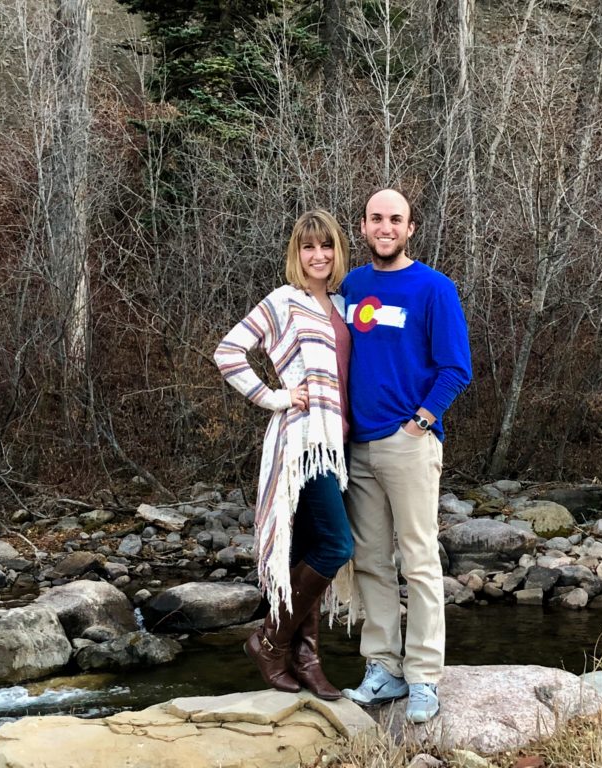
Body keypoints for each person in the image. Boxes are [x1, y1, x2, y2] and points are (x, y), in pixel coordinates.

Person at [340, 189, 472, 723]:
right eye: (376, 218)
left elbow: (455, 367)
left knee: (418, 562)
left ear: (410, 228)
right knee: (370, 561)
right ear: (364, 225)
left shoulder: (434, 288)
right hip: (357, 447)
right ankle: (382, 668)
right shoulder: (353, 286)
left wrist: (421, 421)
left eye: (396, 219)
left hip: (408, 442)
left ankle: (422, 678)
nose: (385, 226)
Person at [213, 209, 354, 700]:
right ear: (297, 254)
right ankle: (270, 641)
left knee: (307, 551)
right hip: (303, 443)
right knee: (337, 546)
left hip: (339, 445)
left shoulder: (344, 303)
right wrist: (274, 396)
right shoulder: (284, 302)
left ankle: (306, 658)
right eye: (308, 247)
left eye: (327, 246)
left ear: (338, 251)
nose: (319, 255)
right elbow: (228, 352)